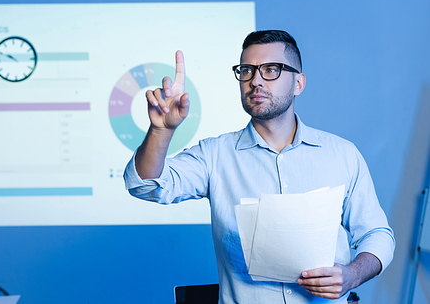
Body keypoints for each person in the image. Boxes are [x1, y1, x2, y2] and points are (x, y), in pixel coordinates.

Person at [123, 30, 395, 303]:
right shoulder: (215, 155)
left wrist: (352, 274)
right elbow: (144, 185)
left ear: (298, 83)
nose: (255, 81)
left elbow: (377, 234)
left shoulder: (342, 154)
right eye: (246, 70)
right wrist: (161, 130)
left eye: (271, 70)